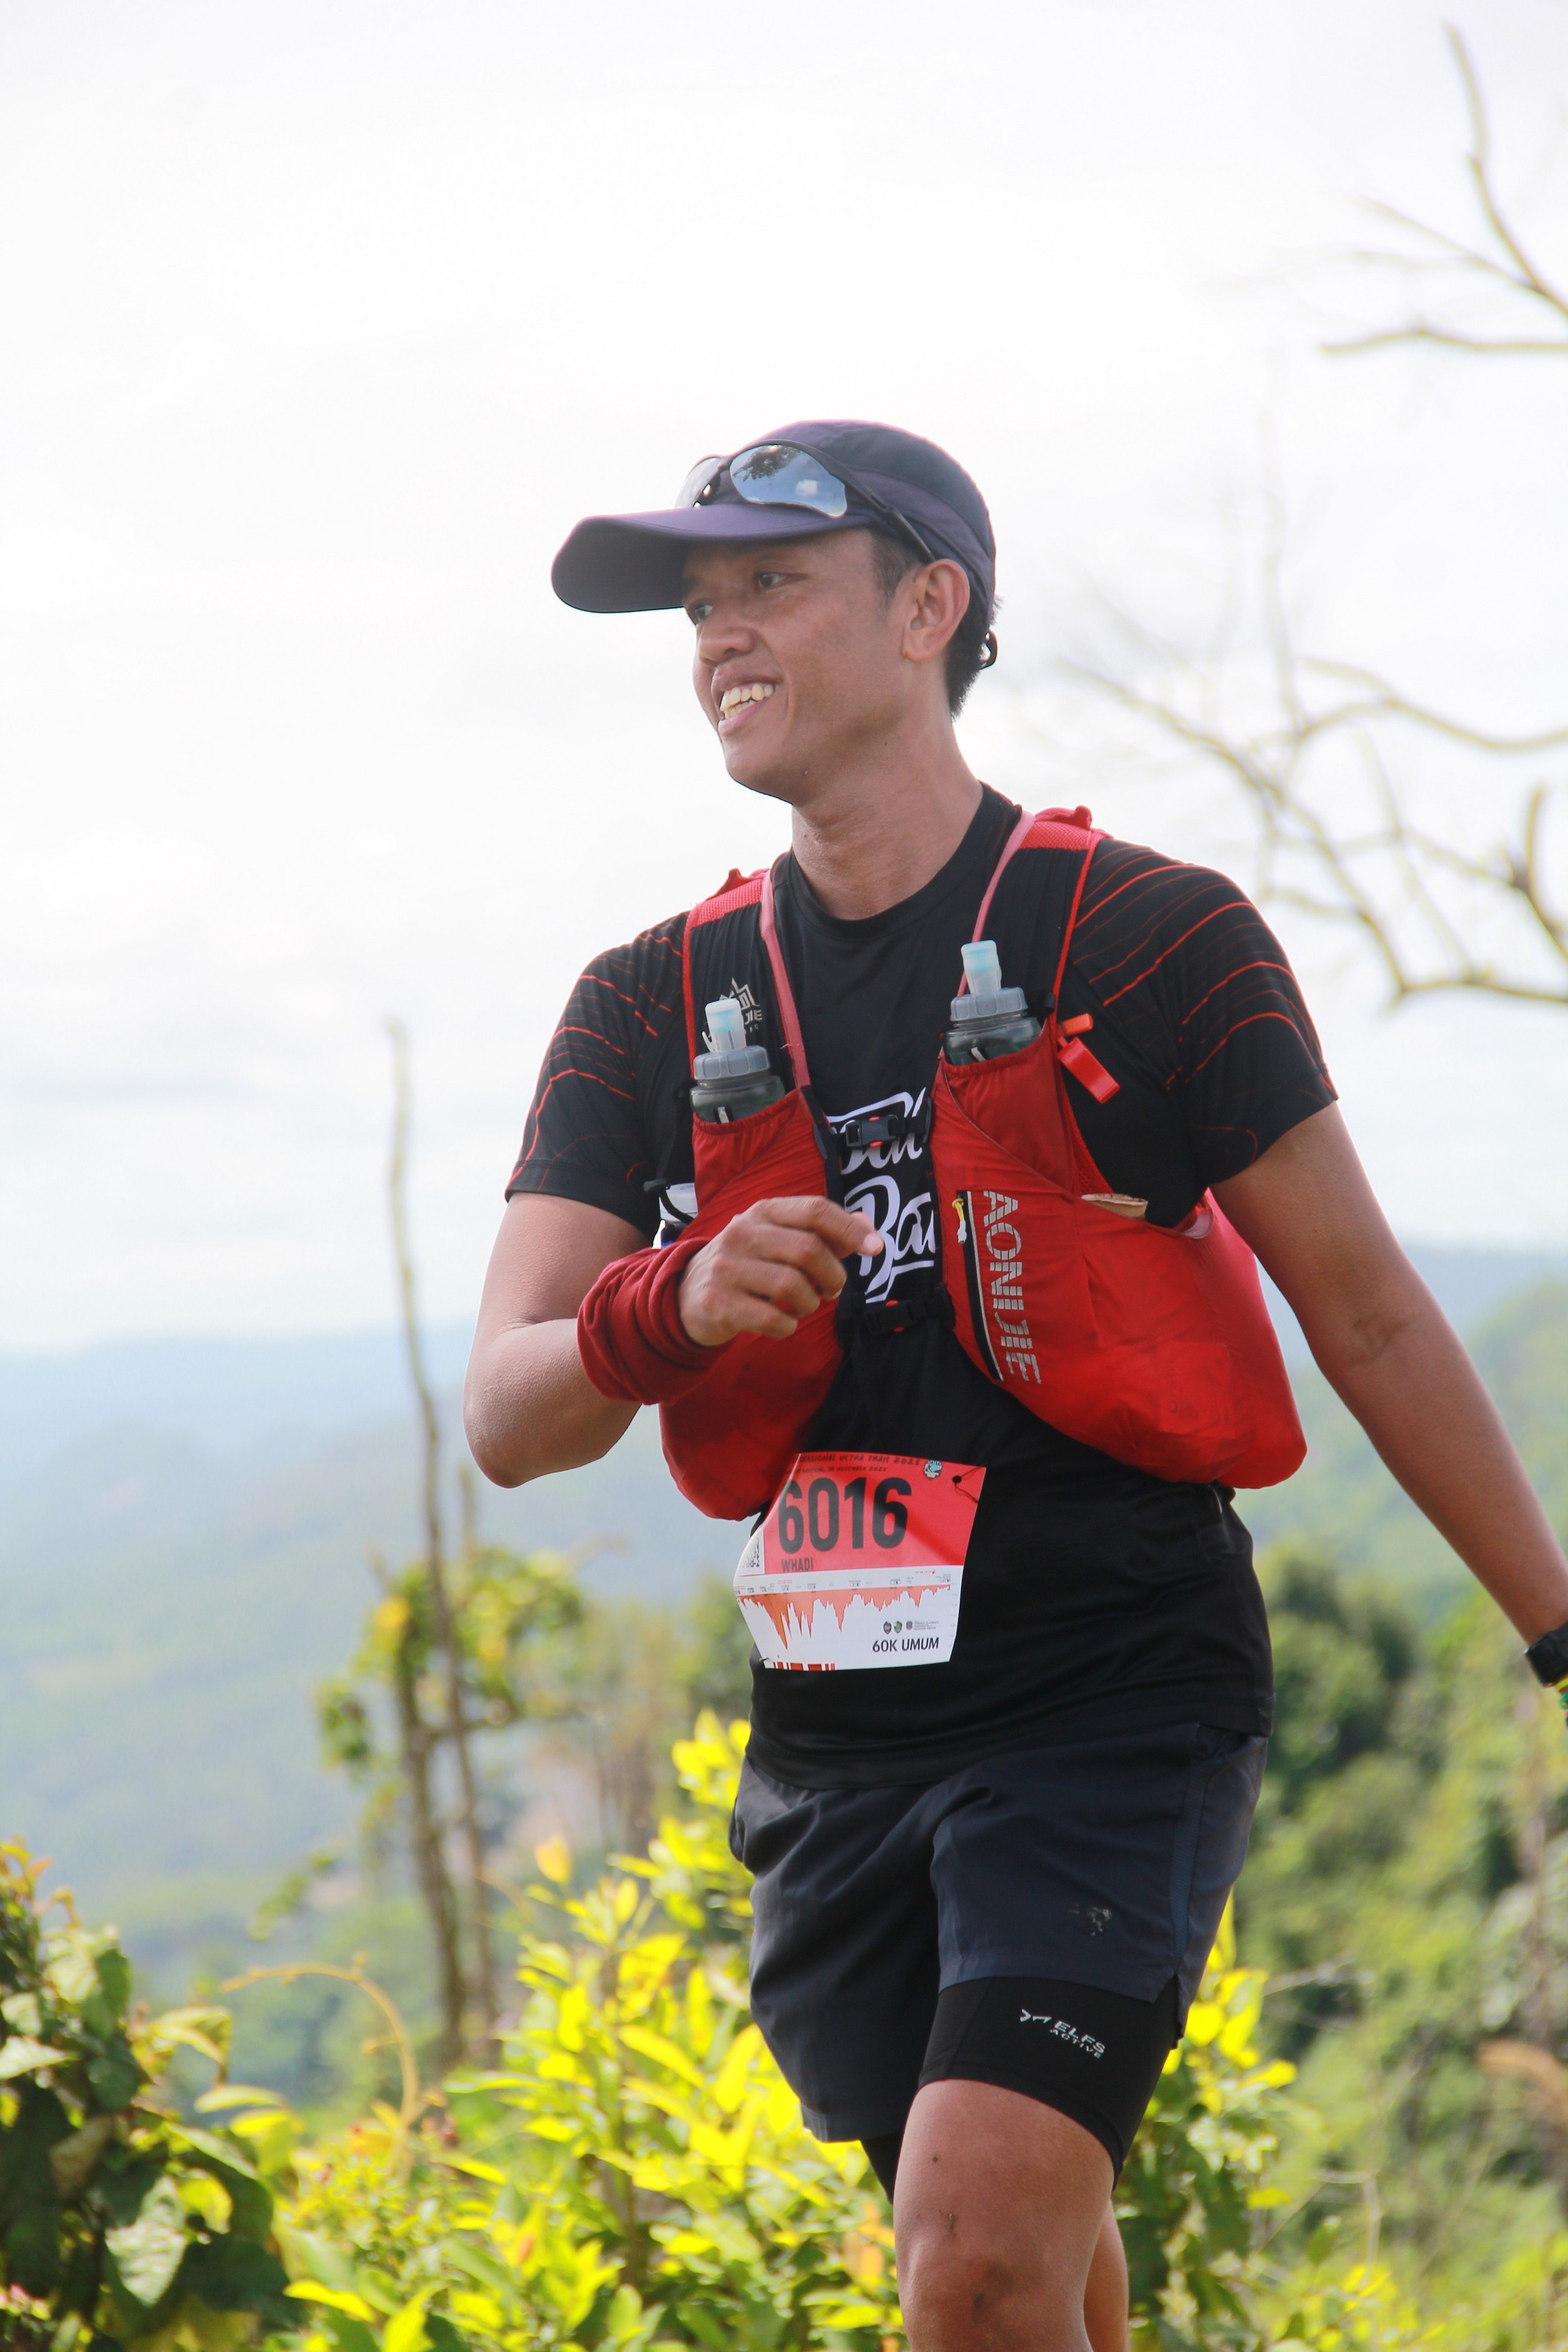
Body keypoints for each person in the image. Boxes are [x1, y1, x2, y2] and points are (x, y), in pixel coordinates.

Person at [465, 420, 1568, 2352]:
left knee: (971, 2256)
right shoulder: (647, 1006)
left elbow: (1370, 1316)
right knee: (1023, 2271)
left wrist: (1560, 1636)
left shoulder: (1152, 941)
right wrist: (674, 1303)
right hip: (836, 1740)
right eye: (700, 605)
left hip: (1111, 1696)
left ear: (930, 608)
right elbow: (510, 1410)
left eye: (771, 583)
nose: (721, 635)